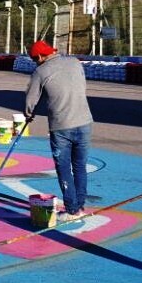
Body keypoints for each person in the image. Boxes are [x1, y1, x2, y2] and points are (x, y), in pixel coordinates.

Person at [25, 40, 94, 222]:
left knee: (63, 168)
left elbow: (31, 100)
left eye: (34, 58)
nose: (34, 62)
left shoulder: (40, 71)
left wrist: (29, 114)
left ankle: (72, 210)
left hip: (61, 126)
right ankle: (79, 205)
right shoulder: (74, 62)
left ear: (40, 56)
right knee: (80, 166)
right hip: (84, 121)